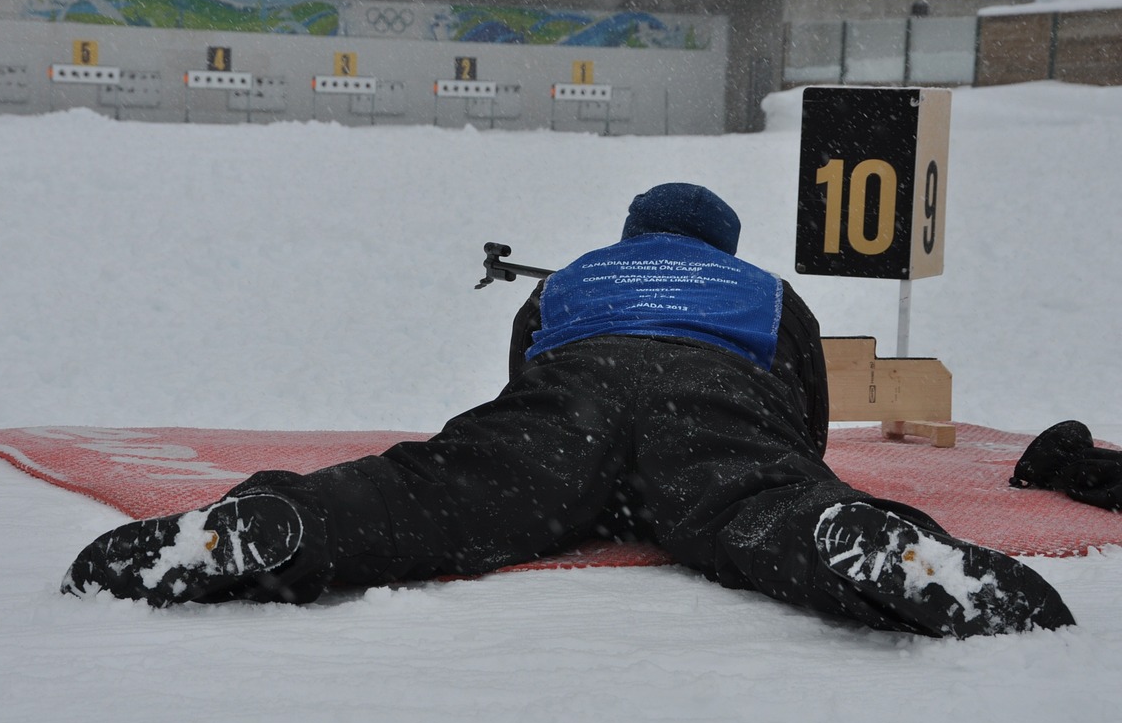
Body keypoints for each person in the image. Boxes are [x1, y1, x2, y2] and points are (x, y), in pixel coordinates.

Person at [63, 183, 1074, 638]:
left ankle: (286, 526)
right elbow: (798, 412)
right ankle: (859, 543)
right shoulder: (763, 289)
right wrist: (780, 465)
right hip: (712, 408)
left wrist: (544, 457)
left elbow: (521, 380)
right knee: (766, 507)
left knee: (432, 495)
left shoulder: (577, 277)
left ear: (632, 231)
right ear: (717, 243)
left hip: (568, 406)